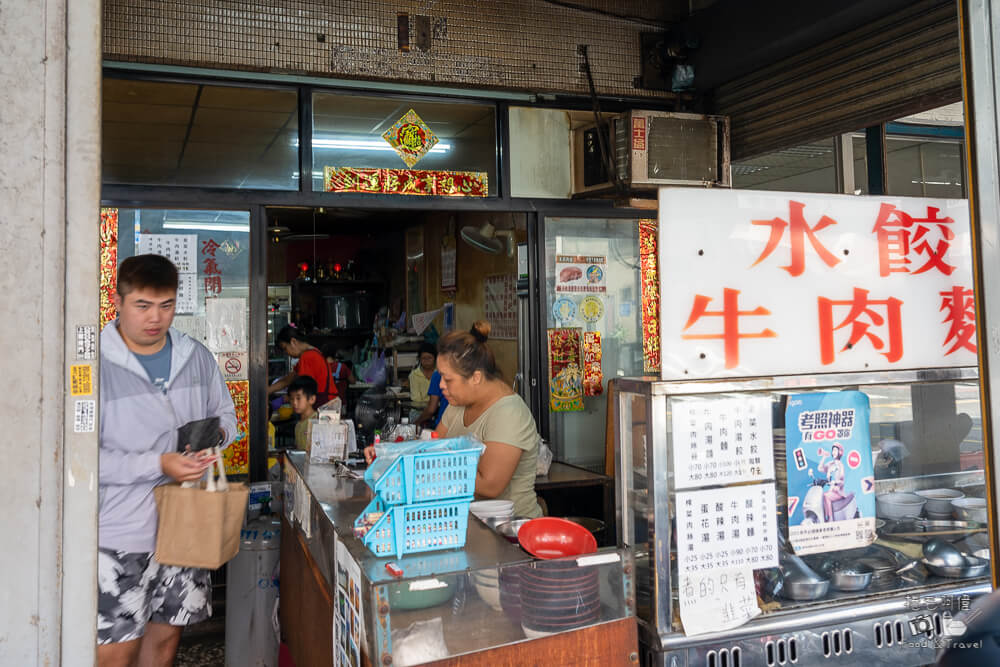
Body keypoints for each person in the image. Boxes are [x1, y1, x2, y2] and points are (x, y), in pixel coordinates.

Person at [98, 254, 237, 667]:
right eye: (142, 305)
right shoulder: (91, 364)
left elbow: (227, 416)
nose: (155, 318)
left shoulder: (196, 356)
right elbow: (81, 462)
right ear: (118, 300)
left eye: (167, 305)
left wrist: (213, 439)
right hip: (119, 532)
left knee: (164, 642)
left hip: (187, 521)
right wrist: (159, 464)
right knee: (114, 652)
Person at [370, 321, 541, 518]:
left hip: (507, 530)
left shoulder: (508, 413)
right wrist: (386, 453)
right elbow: (430, 447)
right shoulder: (457, 404)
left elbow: (490, 485)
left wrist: (437, 464)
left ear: (476, 377)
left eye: (447, 379)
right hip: (465, 521)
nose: (441, 385)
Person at [268, 326, 338, 406]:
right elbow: (287, 380)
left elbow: (303, 390)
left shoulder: (308, 357)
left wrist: (284, 399)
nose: (286, 353)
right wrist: (267, 391)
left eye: (285, 348)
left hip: (323, 406)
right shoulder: (314, 352)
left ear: (293, 342)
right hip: (327, 403)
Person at [817, 442, 847, 522]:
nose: (833, 452)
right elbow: (820, 469)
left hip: (838, 492)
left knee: (826, 496)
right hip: (831, 490)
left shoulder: (840, 465)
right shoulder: (830, 464)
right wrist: (824, 457)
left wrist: (835, 482)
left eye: (835, 450)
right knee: (821, 497)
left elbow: (841, 480)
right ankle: (823, 517)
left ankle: (830, 519)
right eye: (832, 450)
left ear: (839, 452)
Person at [288, 375, 319, 452]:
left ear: (312, 399)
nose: (294, 403)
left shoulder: (317, 422)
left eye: (298, 398)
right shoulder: (298, 425)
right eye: (292, 399)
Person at [408, 342, 437, 412]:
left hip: (437, 408)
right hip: (419, 410)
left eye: (429, 358)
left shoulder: (440, 373)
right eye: (424, 358)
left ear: (435, 358)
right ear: (419, 359)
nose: (427, 361)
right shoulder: (414, 375)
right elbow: (416, 400)